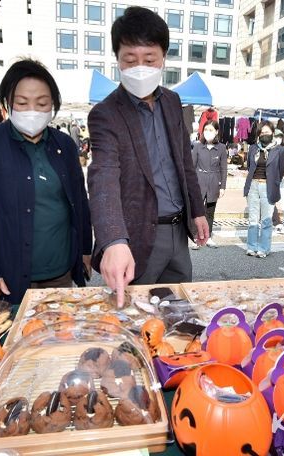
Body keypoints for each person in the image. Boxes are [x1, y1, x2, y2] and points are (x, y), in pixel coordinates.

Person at [87, 7, 208, 307]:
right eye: (130, 60)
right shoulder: (105, 114)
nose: (140, 68)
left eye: (150, 59)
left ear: (163, 57)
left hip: (177, 231)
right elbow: (103, 176)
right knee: (135, 316)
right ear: (117, 60)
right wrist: (114, 240)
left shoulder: (172, 101)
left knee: (179, 313)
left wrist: (198, 211)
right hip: (137, 237)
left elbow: (184, 161)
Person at [0, 59, 92, 304]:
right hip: (8, 276)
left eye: (42, 103)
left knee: (59, 326)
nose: (32, 110)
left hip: (59, 272)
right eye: (22, 103)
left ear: (53, 105)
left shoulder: (64, 144)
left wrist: (85, 250)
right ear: (7, 104)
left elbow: (79, 201)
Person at [243, 121, 284, 258]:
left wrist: (274, 182)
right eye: (262, 133)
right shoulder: (253, 148)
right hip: (253, 185)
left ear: (273, 133)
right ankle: (251, 246)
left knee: (266, 220)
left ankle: (264, 248)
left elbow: (281, 171)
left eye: (267, 132)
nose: (264, 135)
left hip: (268, 186)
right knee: (253, 219)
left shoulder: (280, 150)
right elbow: (249, 166)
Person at [190, 120, 227, 249]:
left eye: (210, 130)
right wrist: (191, 185)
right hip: (199, 181)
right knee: (196, 210)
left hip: (214, 182)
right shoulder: (198, 146)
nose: (207, 132)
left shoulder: (221, 148)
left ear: (216, 131)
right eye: (205, 130)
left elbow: (223, 169)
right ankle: (195, 237)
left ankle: (208, 236)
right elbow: (192, 167)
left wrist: (222, 187)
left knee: (210, 211)